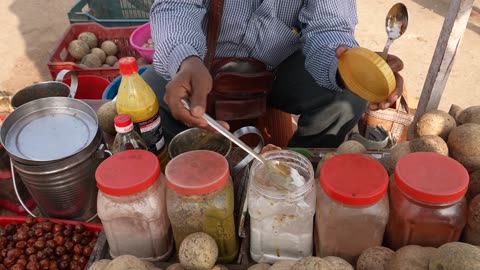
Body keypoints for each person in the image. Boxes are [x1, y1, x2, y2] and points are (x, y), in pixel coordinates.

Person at [141, 0, 404, 147]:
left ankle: (299, 170)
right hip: (199, 64)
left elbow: (328, 29)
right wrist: (184, 60)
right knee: (147, 101)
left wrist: (351, 73)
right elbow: (176, 7)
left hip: (276, 67)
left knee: (347, 99)